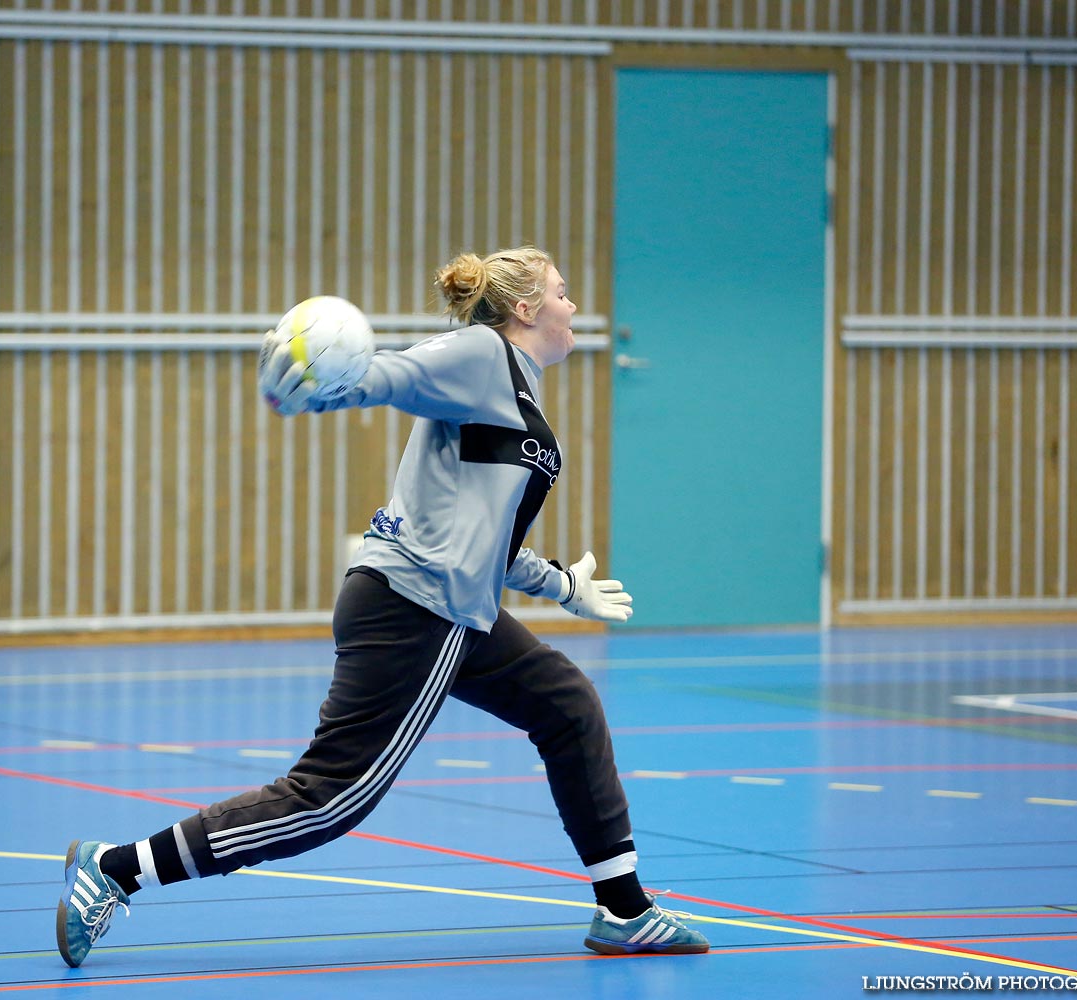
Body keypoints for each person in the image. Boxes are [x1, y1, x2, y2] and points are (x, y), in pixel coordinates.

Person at [55, 246, 710, 967]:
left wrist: (562, 585)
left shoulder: (515, 385)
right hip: (415, 608)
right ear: (526, 308)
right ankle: (115, 868)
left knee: (567, 705)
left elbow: (479, 543)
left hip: (453, 603)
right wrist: (327, 385)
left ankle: (624, 909)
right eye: (563, 292)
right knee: (330, 799)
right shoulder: (482, 354)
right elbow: (392, 374)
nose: (573, 306)